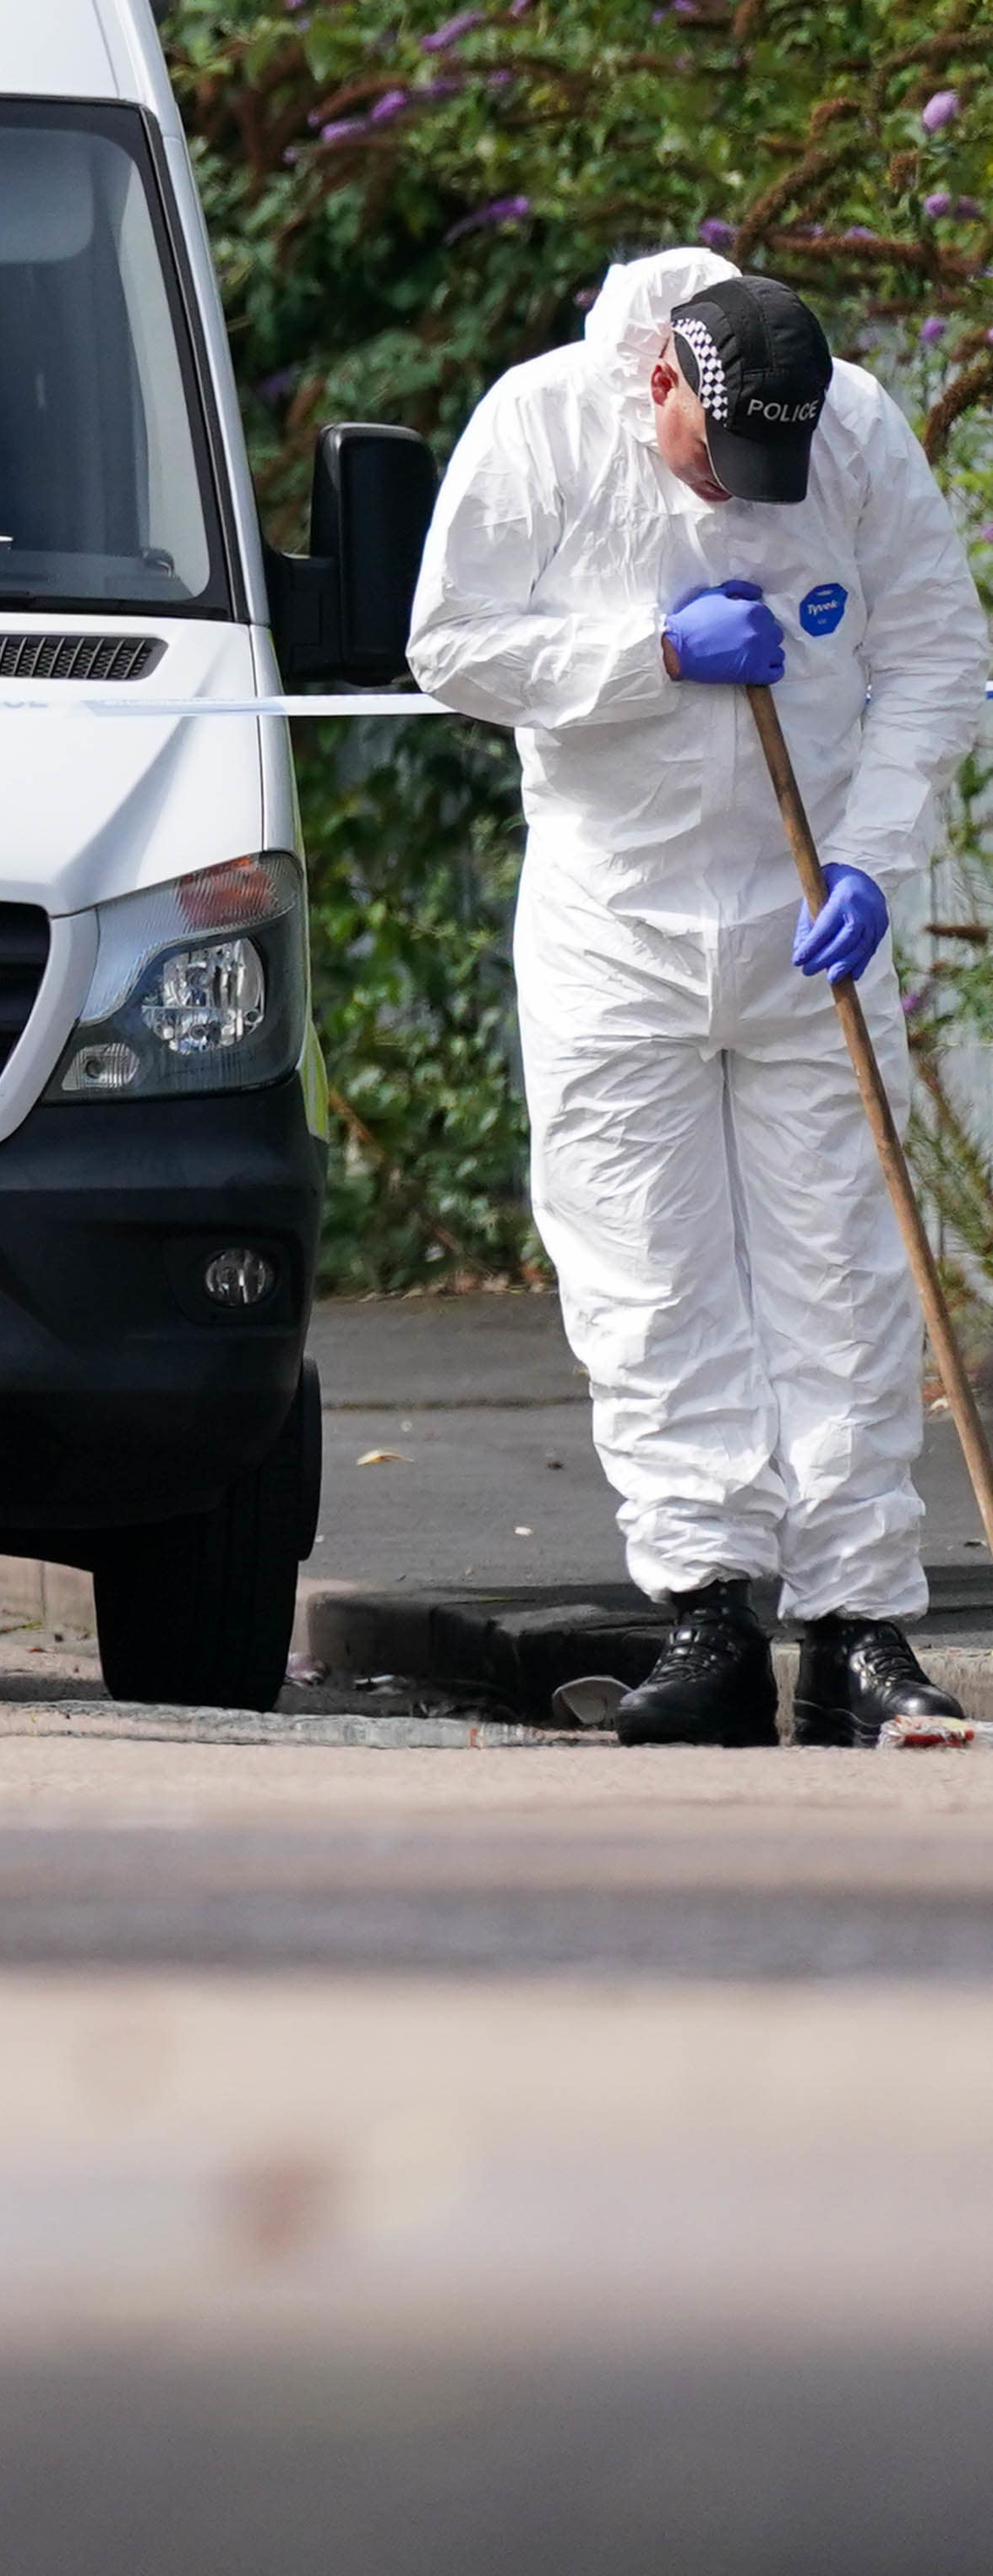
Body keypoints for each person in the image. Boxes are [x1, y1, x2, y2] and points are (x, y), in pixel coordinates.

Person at [407, 252, 989, 1746]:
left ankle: (858, 1629)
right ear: (660, 379)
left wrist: (872, 861)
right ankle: (709, 1610)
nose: (744, 491)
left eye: (769, 469)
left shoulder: (851, 429)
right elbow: (449, 645)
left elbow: (934, 653)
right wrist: (650, 654)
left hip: (810, 918)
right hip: (619, 920)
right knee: (649, 1274)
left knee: (842, 1276)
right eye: (721, 461)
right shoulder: (538, 425)